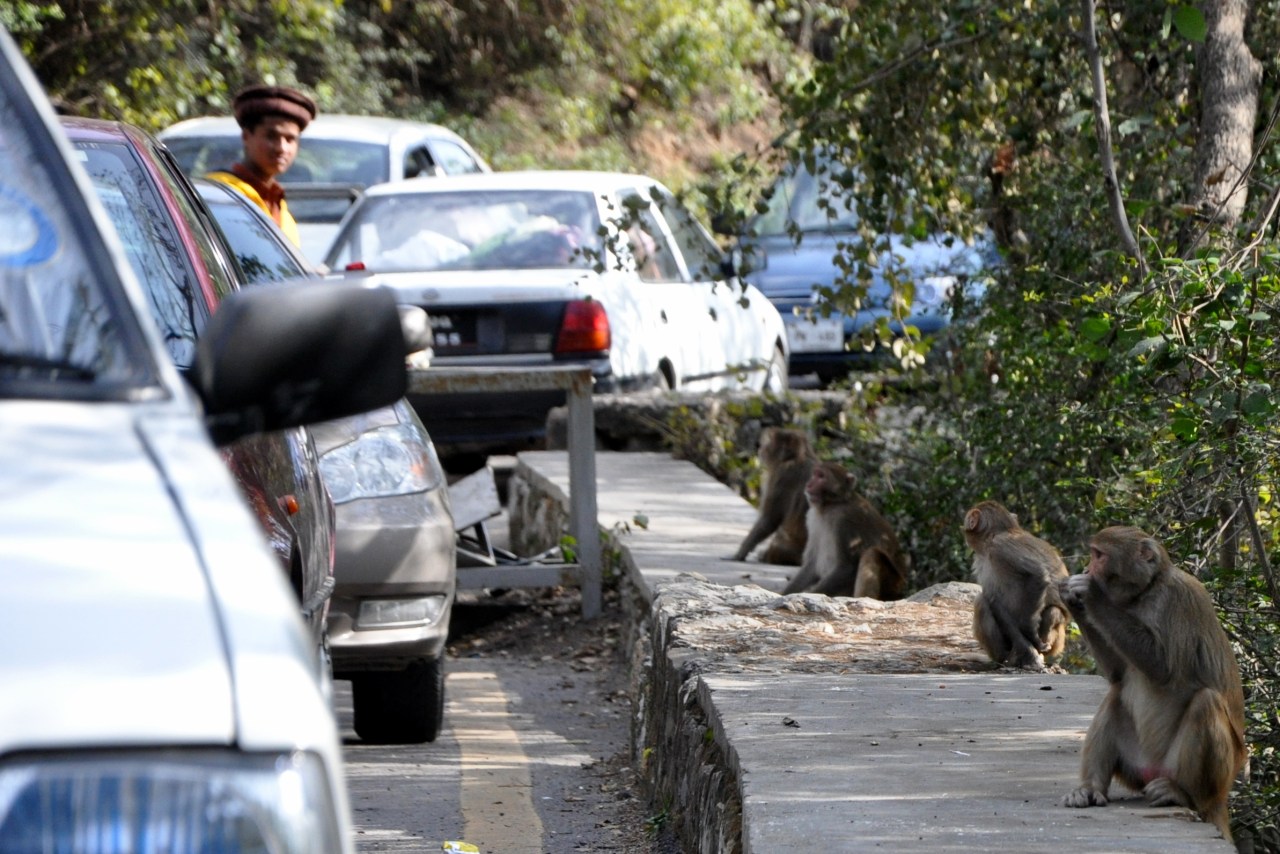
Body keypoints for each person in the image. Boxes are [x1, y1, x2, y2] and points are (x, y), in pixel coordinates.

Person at [205, 84, 316, 247]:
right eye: (271, 136)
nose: (281, 148)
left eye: (290, 139)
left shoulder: (281, 208)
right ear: (246, 136)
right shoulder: (221, 194)